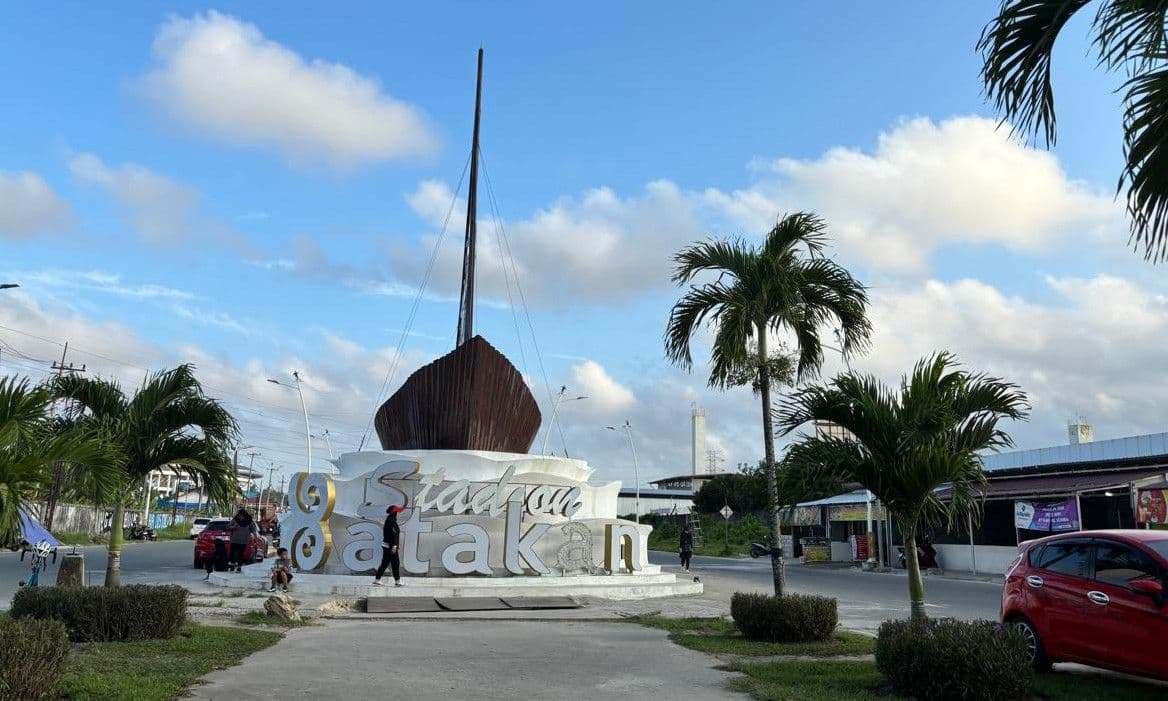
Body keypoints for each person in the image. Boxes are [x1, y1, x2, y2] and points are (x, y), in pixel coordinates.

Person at [373, 504, 405, 587]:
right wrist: (394, 545)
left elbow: (392, 533)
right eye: (397, 512)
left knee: (385, 563)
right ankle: (397, 581)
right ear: (395, 512)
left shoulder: (389, 519)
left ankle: (377, 579)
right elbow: (394, 533)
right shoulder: (392, 520)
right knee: (395, 563)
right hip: (390, 546)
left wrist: (395, 545)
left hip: (387, 545)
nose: (398, 513)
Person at [228, 509, 258, 573]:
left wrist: (256, 538)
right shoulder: (235, 520)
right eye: (239, 516)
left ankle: (239, 567)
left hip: (243, 541)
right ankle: (232, 566)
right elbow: (228, 527)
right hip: (234, 540)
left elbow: (253, 530)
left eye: (242, 516)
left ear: (245, 516)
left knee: (240, 554)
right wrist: (233, 527)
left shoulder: (249, 521)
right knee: (232, 554)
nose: (240, 517)